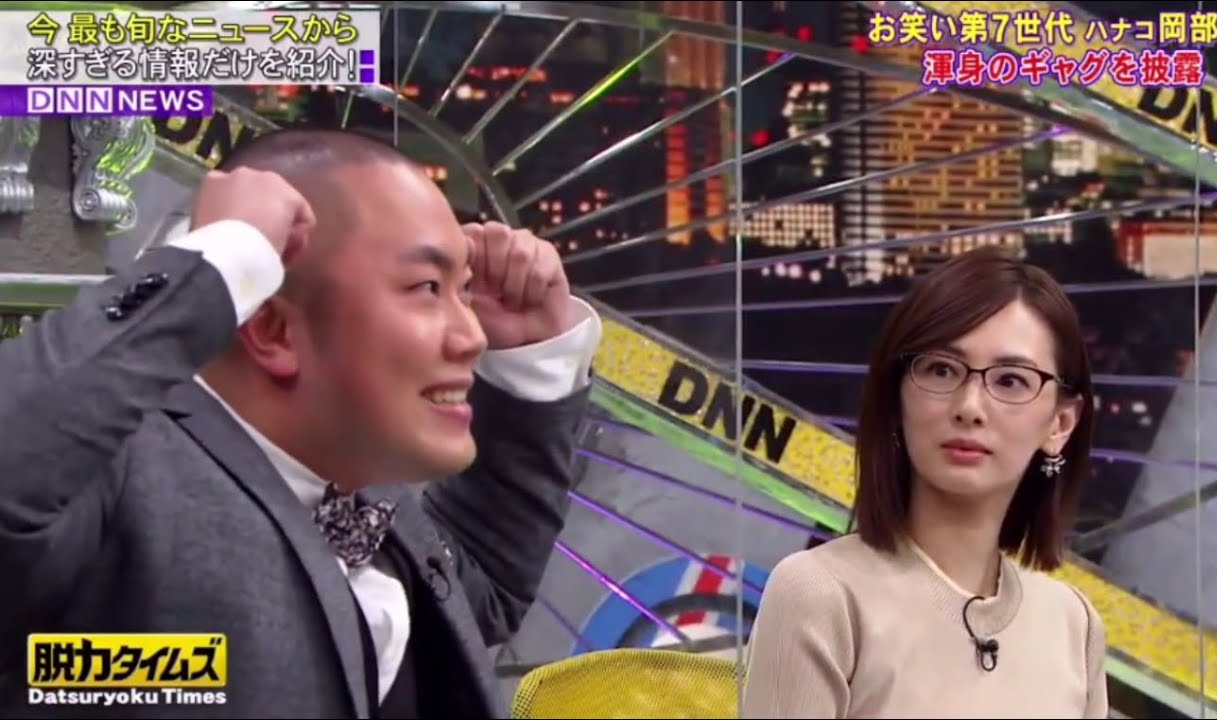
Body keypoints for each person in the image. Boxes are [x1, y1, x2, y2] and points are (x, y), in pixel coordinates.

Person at [0, 128, 602, 718]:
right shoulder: (118, 473)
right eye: (427, 288)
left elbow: (476, 597)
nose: (472, 336)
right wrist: (220, 261)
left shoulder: (365, 496)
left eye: (463, 291)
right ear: (272, 330)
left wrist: (530, 361)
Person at [741, 246, 1108, 719]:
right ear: (897, 398)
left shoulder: (1073, 626)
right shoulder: (819, 595)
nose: (969, 407)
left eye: (1010, 381)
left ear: (1060, 423)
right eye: (941, 370)